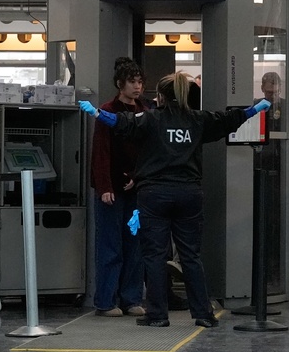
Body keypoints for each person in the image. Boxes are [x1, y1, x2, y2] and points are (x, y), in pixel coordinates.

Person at [79, 73, 270, 328]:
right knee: (191, 255)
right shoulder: (197, 120)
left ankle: (157, 315)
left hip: (154, 195)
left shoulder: (150, 118)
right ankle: (203, 314)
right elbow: (227, 120)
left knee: (155, 256)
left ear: (161, 97)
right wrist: (255, 108)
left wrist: (95, 113)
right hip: (189, 194)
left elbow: (121, 122)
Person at [90, 58, 147, 317]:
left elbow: (150, 150)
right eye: (132, 82)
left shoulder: (146, 110)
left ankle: (131, 298)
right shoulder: (106, 110)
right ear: (119, 84)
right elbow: (101, 152)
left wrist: (139, 176)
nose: (137, 87)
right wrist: (104, 186)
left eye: (139, 82)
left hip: (136, 188)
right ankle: (106, 300)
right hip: (112, 188)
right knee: (110, 245)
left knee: (134, 244)